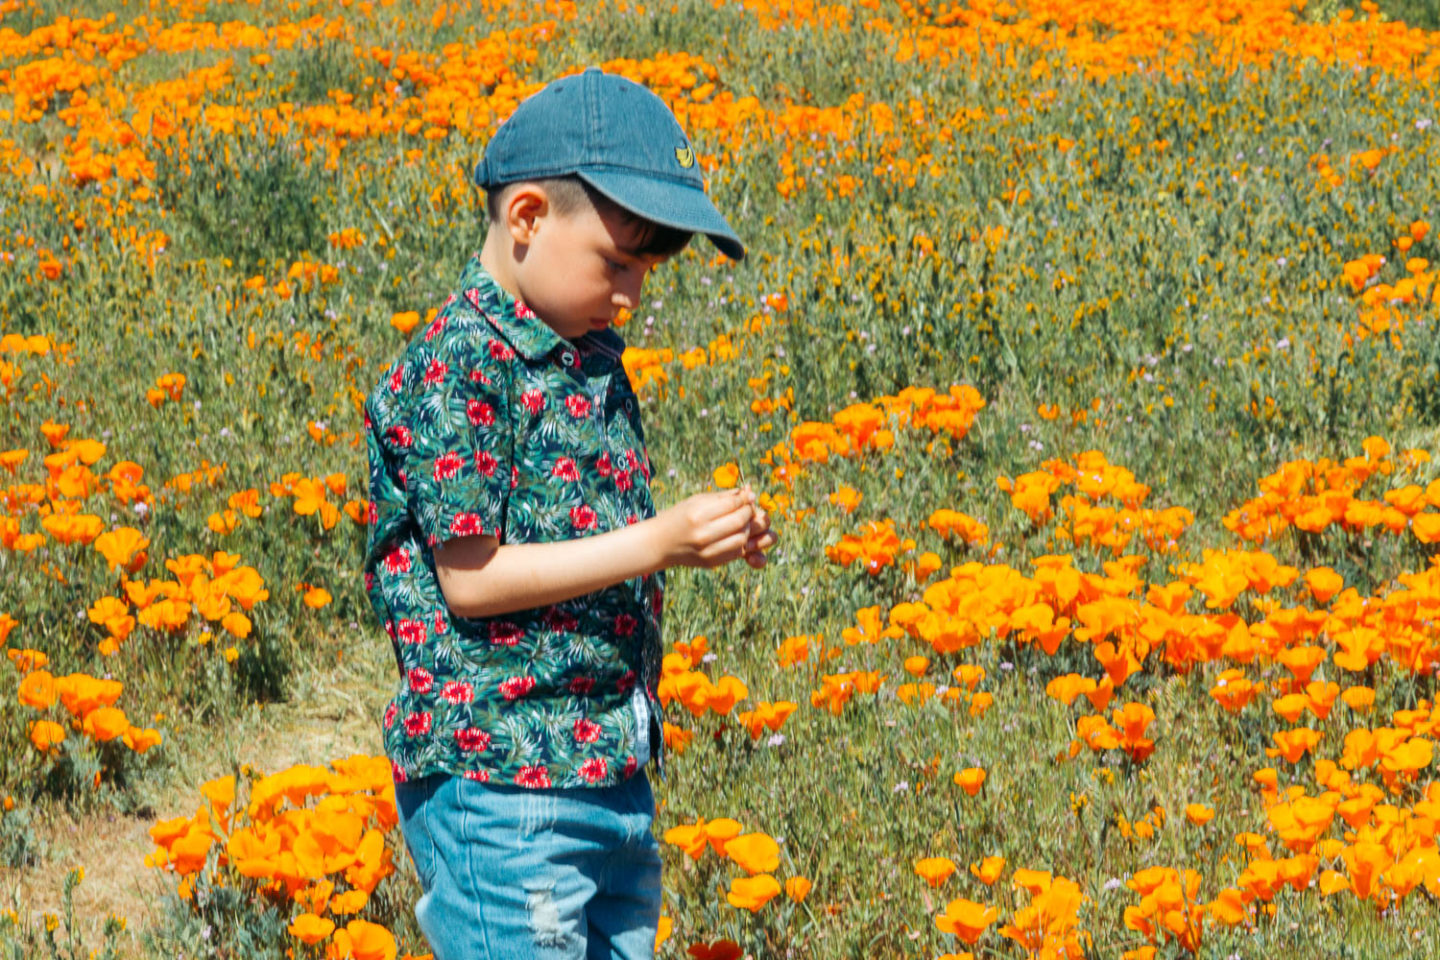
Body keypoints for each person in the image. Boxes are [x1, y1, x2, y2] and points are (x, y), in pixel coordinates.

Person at [361, 66, 778, 960]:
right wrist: (659, 543)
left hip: (607, 772)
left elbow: (589, 533)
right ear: (526, 221)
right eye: (618, 261)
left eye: (647, 269)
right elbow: (472, 581)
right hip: (502, 782)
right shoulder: (455, 366)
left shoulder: (585, 358)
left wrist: (709, 536)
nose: (632, 293)